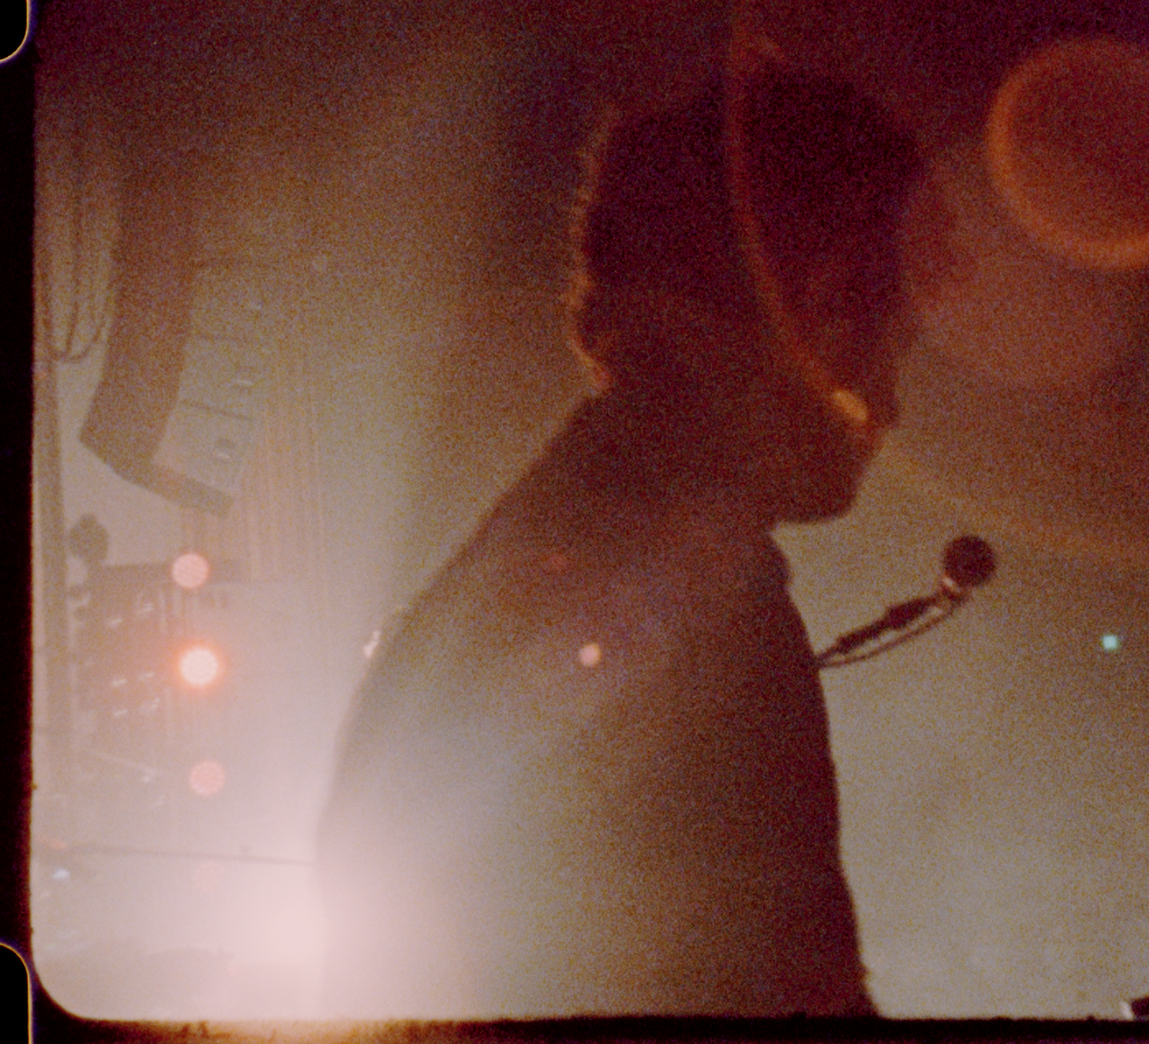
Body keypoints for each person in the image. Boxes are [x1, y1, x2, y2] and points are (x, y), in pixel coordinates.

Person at [315, 63, 955, 1018]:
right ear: (816, 307)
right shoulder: (699, 612)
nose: (891, 408)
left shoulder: (551, 550)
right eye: (892, 344)